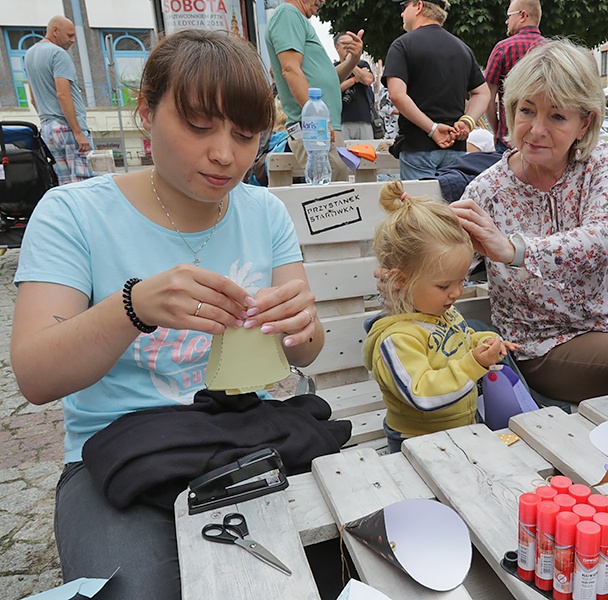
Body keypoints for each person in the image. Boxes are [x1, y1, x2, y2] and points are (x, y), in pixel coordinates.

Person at [10, 30, 325, 598]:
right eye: (200, 126)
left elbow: (302, 349)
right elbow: (34, 375)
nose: (225, 154)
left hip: (240, 437)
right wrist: (132, 307)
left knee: (320, 570)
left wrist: (303, 324)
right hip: (112, 456)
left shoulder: (265, 214)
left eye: (246, 134)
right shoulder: (72, 214)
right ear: (146, 112)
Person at [450, 39, 608, 403]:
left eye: (557, 116)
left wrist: (511, 250)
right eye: (526, 110)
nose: (535, 129)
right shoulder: (486, 191)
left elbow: (603, 241)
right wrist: (426, 238)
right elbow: (444, 261)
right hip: (540, 345)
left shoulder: (603, 161)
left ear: (585, 123)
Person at [363, 180, 519, 452]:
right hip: (418, 445)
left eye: (463, 281)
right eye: (444, 285)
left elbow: (459, 340)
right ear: (401, 281)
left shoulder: (438, 311)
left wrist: (483, 342)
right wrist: (474, 365)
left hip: (461, 429)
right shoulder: (397, 339)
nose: (456, 292)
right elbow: (421, 394)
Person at [384, 0, 491, 179]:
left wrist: (432, 129)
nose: (402, 14)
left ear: (419, 6)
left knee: (421, 205)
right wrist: (467, 122)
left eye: (404, 7)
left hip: (418, 145)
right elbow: (483, 92)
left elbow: (396, 95)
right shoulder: (462, 48)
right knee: (450, 205)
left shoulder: (402, 45)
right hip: (456, 146)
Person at [265, 0, 364, 181]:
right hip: (316, 130)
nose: (323, 1)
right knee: (332, 200)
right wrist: (318, 120)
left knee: (334, 195)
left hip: (320, 129)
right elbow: (290, 69)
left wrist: (353, 60)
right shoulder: (287, 13)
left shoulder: (294, 18)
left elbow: (329, 80)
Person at [24, 15, 94, 184]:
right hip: (67, 127)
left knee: (65, 183)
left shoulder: (30, 54)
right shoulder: (58, 54)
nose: (72, 41)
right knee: (83, 182)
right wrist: (78, 132)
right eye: (69, 35)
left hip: (48, 127)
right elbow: (63, 94)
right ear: (55, 31)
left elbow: (33, 99)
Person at [484, 0, 545, 153]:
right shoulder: (553, 51)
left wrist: (498, 130)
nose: (506, 21)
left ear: (523, 15)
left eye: (509, 16)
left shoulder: (503, 48)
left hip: (509, 139)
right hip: (543, 139)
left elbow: (487, 97)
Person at [333, 31, 376, 140]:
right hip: (342, 120)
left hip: (364, 119)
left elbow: (367, 80)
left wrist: (351, 62)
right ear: (337, 47)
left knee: (367, 154)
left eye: (351, 43)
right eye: (345, 44)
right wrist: (355, 79)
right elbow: (333, 89)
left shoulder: (362, 64)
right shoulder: (333, 68)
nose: (348, 47)